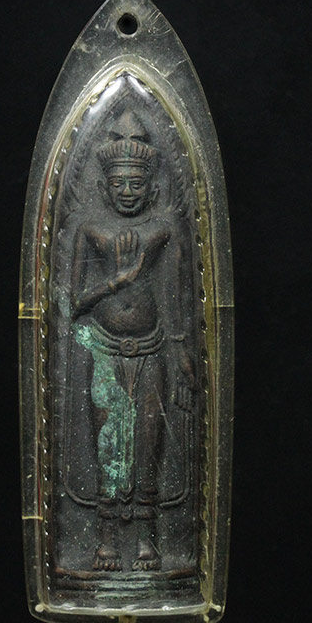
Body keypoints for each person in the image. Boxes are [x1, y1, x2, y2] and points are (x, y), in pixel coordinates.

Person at [70, 110, 194, 571]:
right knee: (107, 445)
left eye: (136, 184)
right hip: (104, 349)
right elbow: (71, 303)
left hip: (152, 348)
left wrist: (183, 353)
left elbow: (179, 297)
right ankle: (105, 540)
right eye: (119, 184)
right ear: (104, 188)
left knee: (148, 443)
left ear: (152, 188)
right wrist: (117, 281)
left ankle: (147, 539)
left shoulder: (164, 230)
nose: (127, 192)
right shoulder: (90, 230)